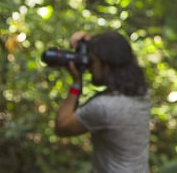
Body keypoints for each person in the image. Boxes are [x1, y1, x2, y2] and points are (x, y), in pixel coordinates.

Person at [54, 30, 151, 173]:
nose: (89, 67)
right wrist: (87, 43)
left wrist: (76, 83)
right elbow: (114, 45)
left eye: (92, 61)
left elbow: (62, 127)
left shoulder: (104, 107)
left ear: (107, 65)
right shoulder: (142, 93)